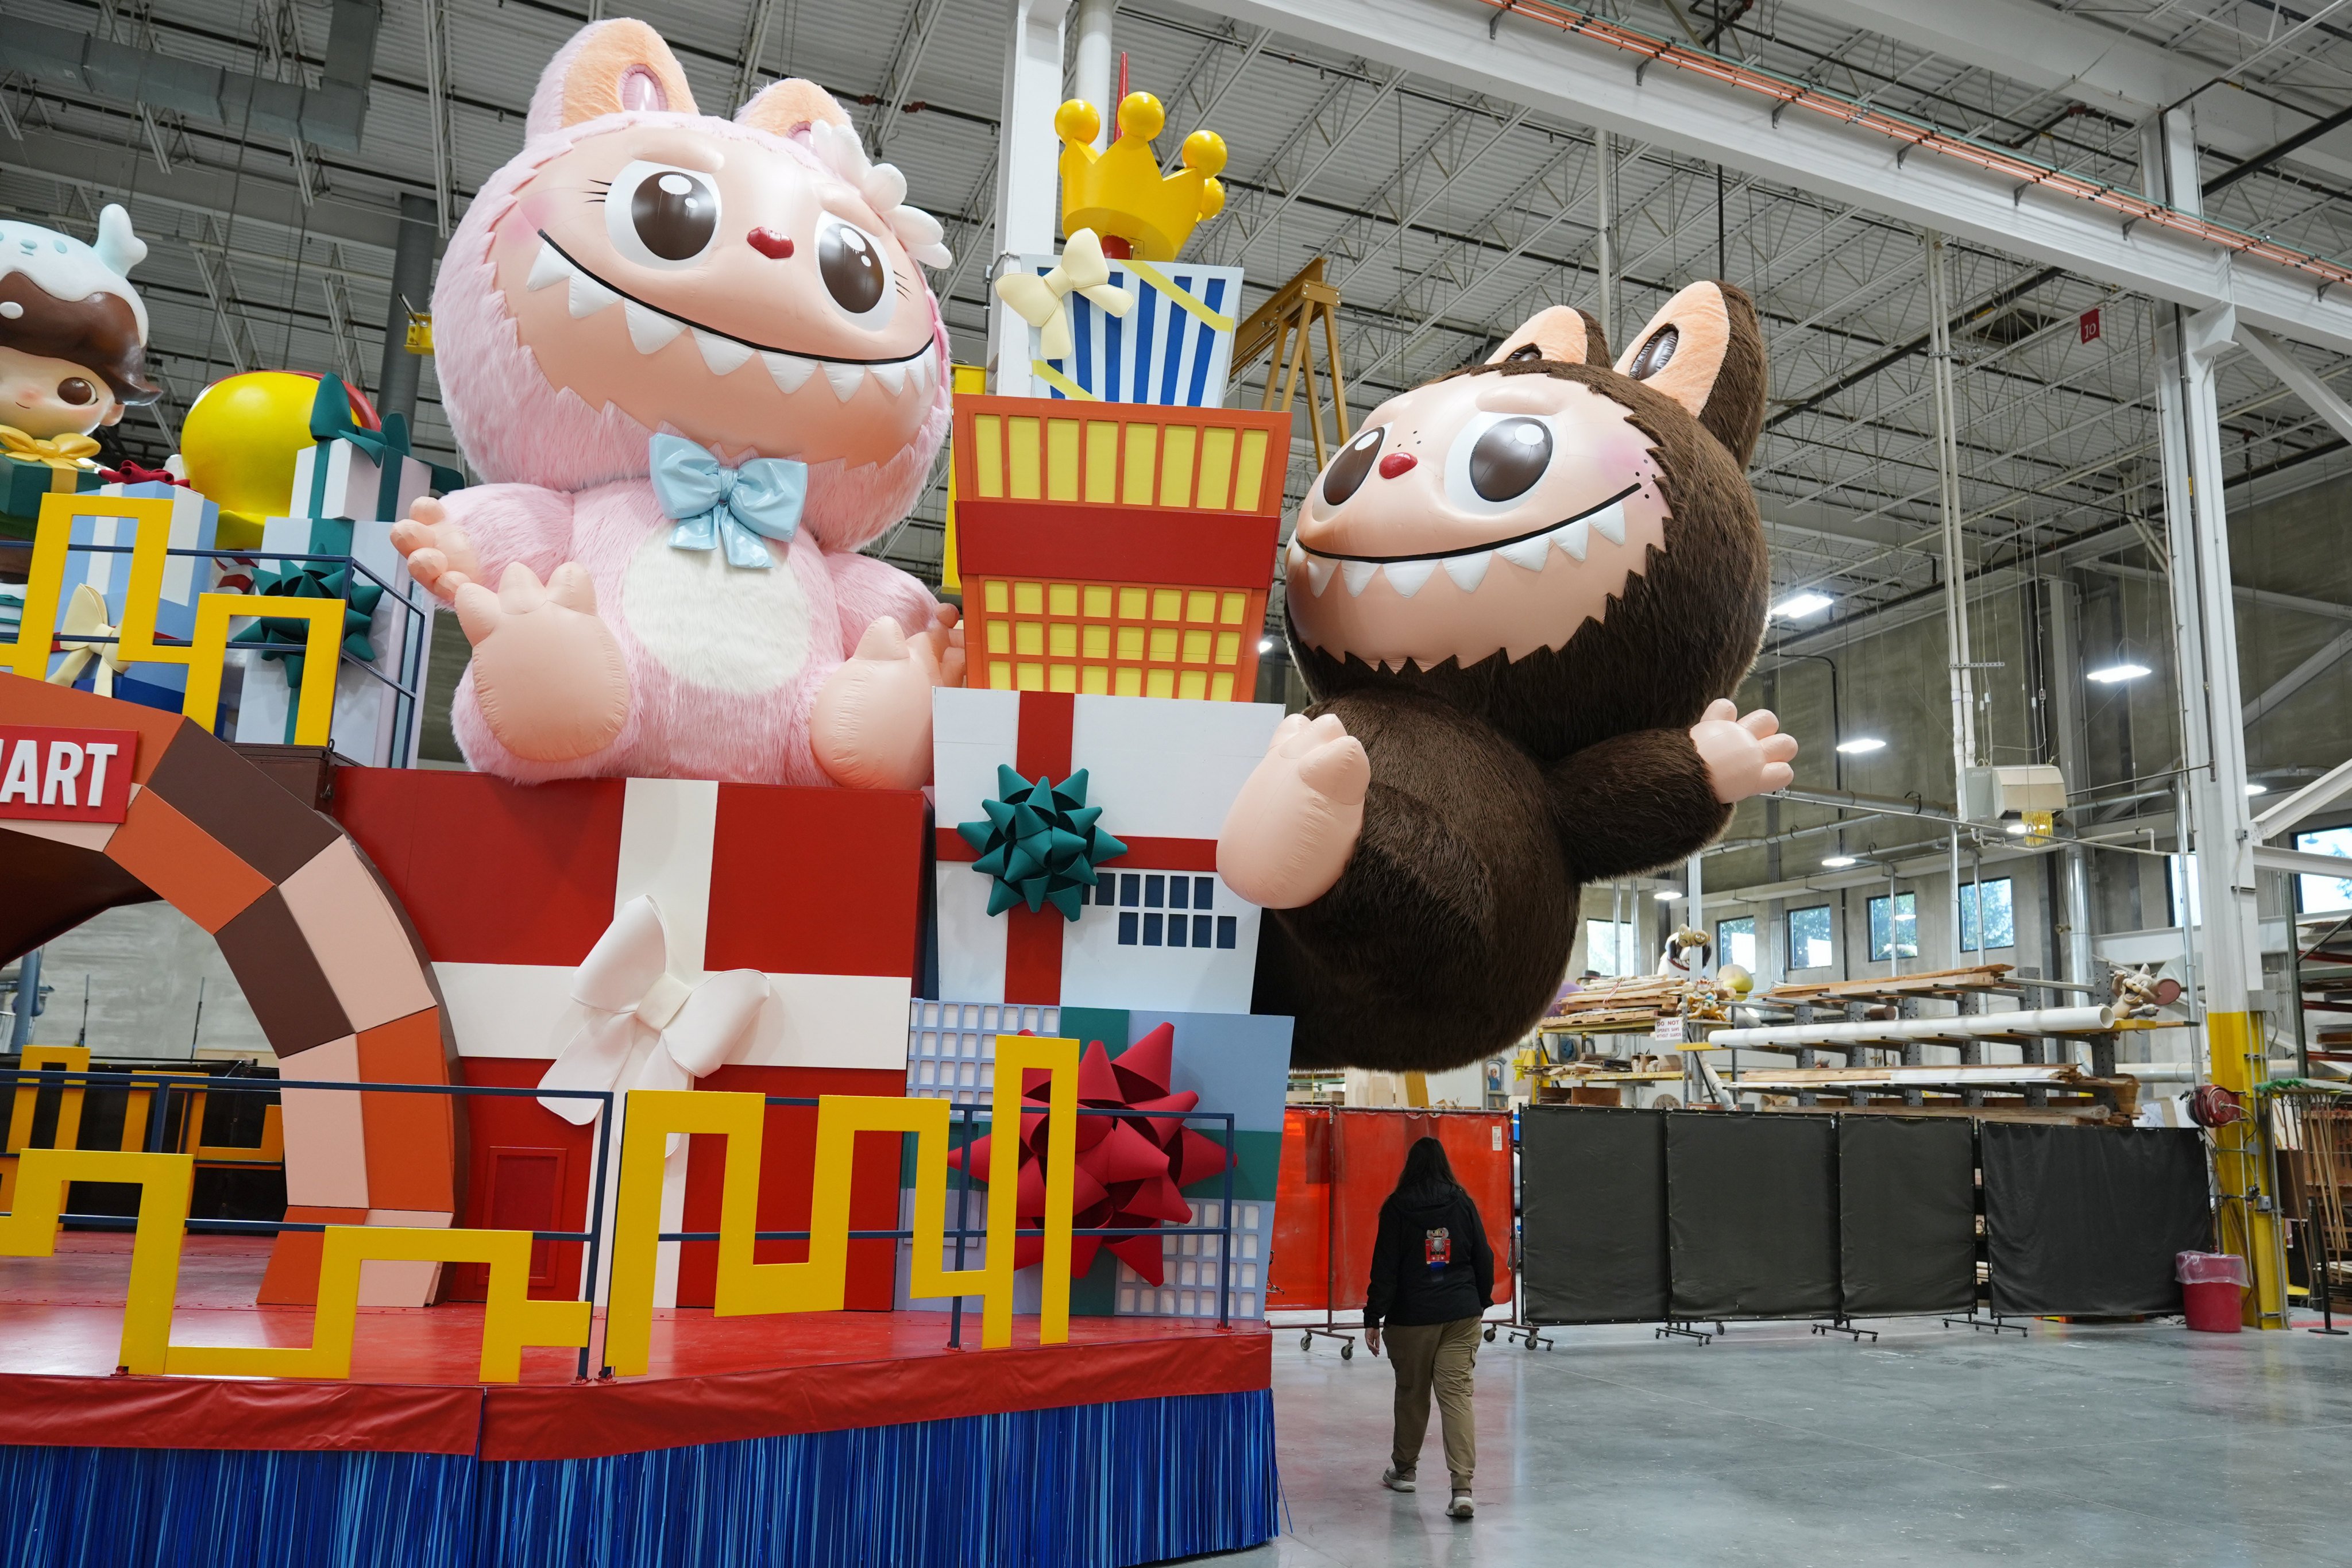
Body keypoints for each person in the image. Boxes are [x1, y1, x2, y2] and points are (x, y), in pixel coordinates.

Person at [1363, 1135, 1494, 1521]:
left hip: (1411, 1317)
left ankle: (1404, 1472)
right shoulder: (1461, 1200)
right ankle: (1462, 1490)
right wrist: (1479, 1300)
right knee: (1456, 1397)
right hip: (1460, 1314)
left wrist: (1374, 1316)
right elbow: (1482, 1255)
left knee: (1411, 1395)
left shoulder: (1397, 1207)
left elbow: (1385, 1268)